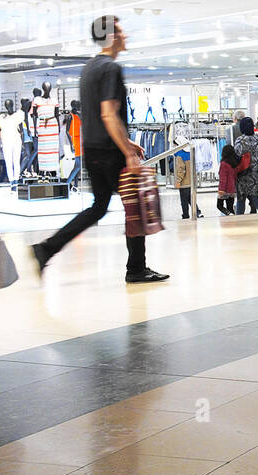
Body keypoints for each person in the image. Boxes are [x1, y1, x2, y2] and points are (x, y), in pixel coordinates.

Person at [32, 16, 168, 284]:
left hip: (93, 149)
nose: (124, 36)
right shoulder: (111, 69)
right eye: (120, 31)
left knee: (98, 207)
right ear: (111, 37)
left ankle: (47, 248)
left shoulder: (89, 68)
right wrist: (127, 153)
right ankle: (137, 269)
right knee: (135, 206)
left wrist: (128, 142)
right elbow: (108, 115)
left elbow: (99, 116)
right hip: (109, 152)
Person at [234, 116, 258, 214]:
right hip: (256, 171)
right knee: (257, 198)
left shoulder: (240, 140)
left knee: (241, 199)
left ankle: (239, 219)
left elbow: (237, 155)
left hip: (244, 172)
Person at [174, 144, 202, 219]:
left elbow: (181, 170)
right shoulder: (190, 153)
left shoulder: (179, 155)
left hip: (184, 183)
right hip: (192, 182)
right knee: (191, 199)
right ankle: (198, 212)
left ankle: (185, 215)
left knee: (184, 201)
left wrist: (178, 181)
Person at [216, 144, 242, 215]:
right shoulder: (234, 164)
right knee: (230, 207)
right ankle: (232, 219)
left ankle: (228, 214)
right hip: (232, 189)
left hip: (225, 189)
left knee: (219, 206)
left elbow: (223, 178)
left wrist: (221, 189)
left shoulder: (224, 164)